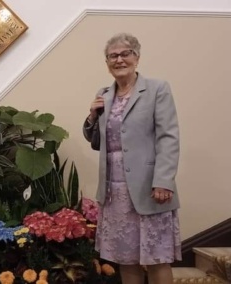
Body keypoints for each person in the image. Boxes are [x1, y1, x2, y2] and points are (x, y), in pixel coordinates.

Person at [83, 33, 181, 284]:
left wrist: (163, 180)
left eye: (125, 53)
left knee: (157, 258)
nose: (119, 59)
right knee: (126, 258)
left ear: (137, 57)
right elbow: (97, 142)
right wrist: (92, 117)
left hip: (150, 188)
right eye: (113, 55)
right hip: (114, 192)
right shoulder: (104, 94)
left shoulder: (157, 89)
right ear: (107, 62)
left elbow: (168, 136)